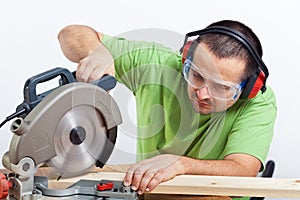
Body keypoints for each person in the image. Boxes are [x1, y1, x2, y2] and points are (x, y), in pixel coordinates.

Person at [57, 20, 277, 199]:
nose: (203, 94)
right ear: (185, 60)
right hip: (150, 191)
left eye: (221, 88)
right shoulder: (157, 64)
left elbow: (242, 168)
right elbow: (70, 33)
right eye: (197, 76)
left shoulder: (259, 102)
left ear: (249, 88)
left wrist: (181, 164)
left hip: (217, 195)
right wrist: (97, 51)